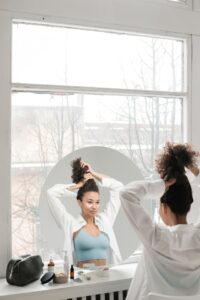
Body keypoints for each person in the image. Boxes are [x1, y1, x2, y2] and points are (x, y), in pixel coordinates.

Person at [120, 142, 200, 299]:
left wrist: (162, 184)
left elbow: (126, 194)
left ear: (164, 208)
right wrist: (196, 171)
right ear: (189, 205)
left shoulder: (155, 237)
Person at [47, 158, 123, 268]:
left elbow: (119, 187)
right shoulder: (70, 223)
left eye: (97, 202)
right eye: (89, 202)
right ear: (79, 202)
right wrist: (78, 185)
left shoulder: (105, 220)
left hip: (106, 279)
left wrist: (93, 173)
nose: (94, 207)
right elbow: (51, 193)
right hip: (83, 281)